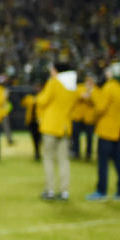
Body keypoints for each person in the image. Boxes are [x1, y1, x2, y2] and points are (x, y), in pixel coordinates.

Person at [86, 64, 120, 201]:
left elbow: (100, 107)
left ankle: (102, 191)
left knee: (103, 163)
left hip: (107, 130)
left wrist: (93, 91)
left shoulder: (110, 87)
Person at [36, 60, 78, 200]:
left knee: (48, 158)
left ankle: (50, 190)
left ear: (56, 71)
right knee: (63, 160)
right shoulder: (73, 86)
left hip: (51, 125)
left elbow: (43, 101)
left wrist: (40, 95)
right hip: (65, 126)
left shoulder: (54, 82)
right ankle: (64, 191)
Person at [20, 85, 41, 161]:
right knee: (35, 138)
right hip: (32, 121)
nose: (37, 88)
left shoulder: (43, 96)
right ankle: (37, 153)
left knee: (41, 138)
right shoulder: (29, 97)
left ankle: (40, 152)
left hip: (41, 122)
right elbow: (23, 102)